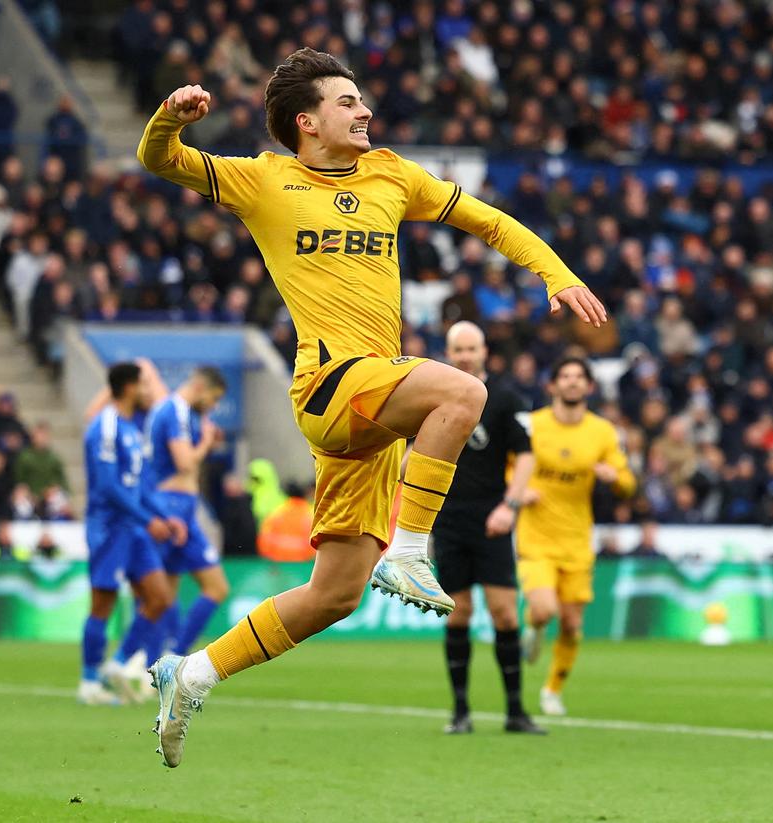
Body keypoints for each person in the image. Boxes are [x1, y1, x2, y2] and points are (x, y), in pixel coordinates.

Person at [138, 48, 604, 767]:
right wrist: (170, 120)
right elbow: (160, 162)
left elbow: (488, 221)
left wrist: (557, 272)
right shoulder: (263, 180)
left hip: (373, 409)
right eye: (348, 101)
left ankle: (191, 673)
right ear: (307, 120)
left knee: (334, 594)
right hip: (328, 382)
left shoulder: (392, 174)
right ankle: (413, 552)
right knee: (464, 390)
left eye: (363, 100)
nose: (365, 110)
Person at [434, 321, 544, 735]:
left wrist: (510, 505)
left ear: (484, 351)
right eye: (457, 349)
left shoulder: (504, 398)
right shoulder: (434, 398)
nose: (464, 356)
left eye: (471, 348)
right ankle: (460, 712)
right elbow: (411, 453)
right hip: (448, 518)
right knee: (457, 612)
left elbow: (527, 456)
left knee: (503, 612)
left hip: (492, 519)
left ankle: (515, 711)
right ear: (448, 352)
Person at [517, 357, 636, 718]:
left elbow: (628, 483)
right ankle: (535, 627)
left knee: (571, 624)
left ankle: (552, 690)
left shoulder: (602, 432)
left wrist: (612, 477)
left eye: (578, 377)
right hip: (536, 538)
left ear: (589, 387)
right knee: (544, 609)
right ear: (551, 386)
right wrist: (518, 492)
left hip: (576, 540)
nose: (571, 382)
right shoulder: (532, 426)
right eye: (564, 376)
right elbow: (508, 467)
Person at [80, 362, 186, 706]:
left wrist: (166, 518)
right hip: (109, 527)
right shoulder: (107, 426)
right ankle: (89, 681)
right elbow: (109, 486)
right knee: (103, 604)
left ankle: (120, 663)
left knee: (159, 597)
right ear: (128, 387)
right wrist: (147, 518)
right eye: (143, 386)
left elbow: (141, 486)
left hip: (134, 527)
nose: (147, 392)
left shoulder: (130, 428)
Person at [141, 366, 230, 665]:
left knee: (168, 590)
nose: (214, 406)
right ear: (201, 387)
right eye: (214, 398)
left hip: (179, 505)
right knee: (213, 587)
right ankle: (168, 657)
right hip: (172, 506)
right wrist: (204, 443)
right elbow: (184, 464)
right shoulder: (175, 411)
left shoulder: (178, 412)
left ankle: (162, 660)